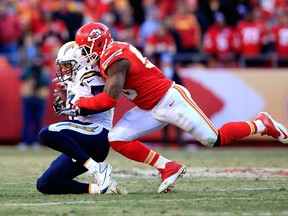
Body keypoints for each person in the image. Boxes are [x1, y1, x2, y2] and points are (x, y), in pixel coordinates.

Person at [71, 22, 288, 194]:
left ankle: (262, 124)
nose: (82, 53)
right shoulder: (106, 56)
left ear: (99, 44)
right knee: (117, 138)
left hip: (169, 100)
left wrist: (78, 104)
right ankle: (168, 167)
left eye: (85, 48)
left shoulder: (115, 58)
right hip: (148, 108)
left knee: (213, 138)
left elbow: (109, 100)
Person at [36, 41, 127, 195]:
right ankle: (104, 189)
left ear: (79, 63)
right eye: (62, 65)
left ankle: (97, 169)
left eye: (67, 65)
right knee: (45, 184)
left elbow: (103, 102)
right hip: (82, 142)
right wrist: (67, 102)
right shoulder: (73, 80)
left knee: (47, 133)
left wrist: (77, 108)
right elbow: (78, 107)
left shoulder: (89, 74)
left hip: (97, 135)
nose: (63, 69)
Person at [18, 55, 50, 150]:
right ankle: (25, 141)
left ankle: (36, 141)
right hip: (28, 98)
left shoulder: (45, 71)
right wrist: (31, 70)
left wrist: (38, 79)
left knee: (38, 121)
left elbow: (47, 83)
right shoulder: (29, 70)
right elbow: (22, 77)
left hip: (39, 99)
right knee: (27, 121)